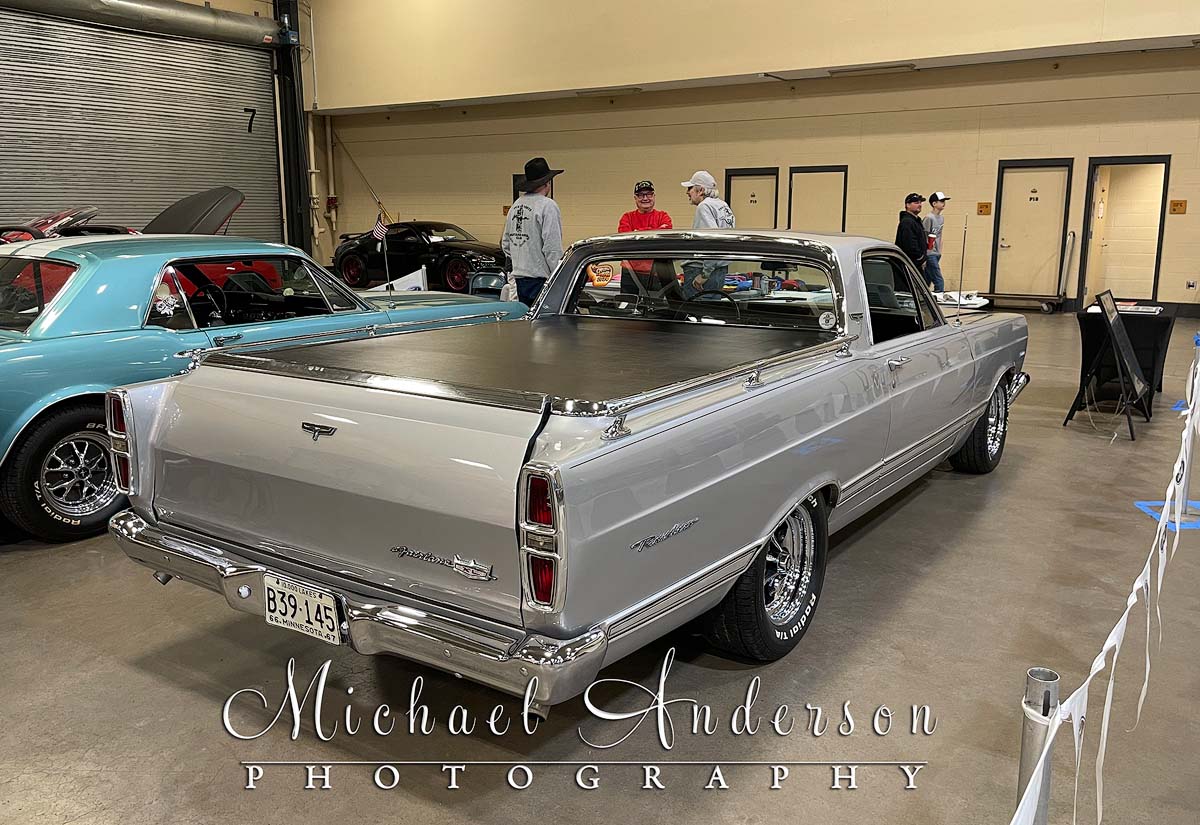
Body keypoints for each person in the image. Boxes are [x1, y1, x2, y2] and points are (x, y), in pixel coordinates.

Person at [501, 157, 564, 306]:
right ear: (547, 183)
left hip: (519, 280)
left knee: (526, 324)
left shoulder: (516, 205)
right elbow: (552, 248)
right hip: (541, 280)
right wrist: (559, 277)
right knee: (544, 326)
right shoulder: (548, 206)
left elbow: (506, 244)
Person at [681, 171, 735, 296]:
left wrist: (705, 274)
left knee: (696, 312)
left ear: (700, 190)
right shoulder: (723, 206)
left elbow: (712, 241)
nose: (687, 192)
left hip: (701, 270)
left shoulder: (704, 207)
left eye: (690, 188)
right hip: (719, 270)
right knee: (712, 311)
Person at [617, 180, 673, 295]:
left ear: (654, 196)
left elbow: (664, 236)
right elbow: (626, 240)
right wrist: (653, 231)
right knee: (628, 306)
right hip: (630, 271)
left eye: (649, 194)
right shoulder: (627, 217)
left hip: (656, 271)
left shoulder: (663, 216)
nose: (645, 198)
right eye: (641, 195)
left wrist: (637, 232)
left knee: (655, 308)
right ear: (635, 198)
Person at [921, 191, 950, 292]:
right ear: (934, 204)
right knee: (939, 280)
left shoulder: (941, 218)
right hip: (930, 253)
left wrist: (940, 251)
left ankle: (922, 297)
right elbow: (924, 236)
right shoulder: (929, 218)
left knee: (927, 279)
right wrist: (925, 254)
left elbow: (939, 235)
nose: (943, 203)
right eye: (941, 201)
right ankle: (939, 297)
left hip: (936, 253)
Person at [895, 192, 928, 273]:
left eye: (920, 203)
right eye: (916, 203)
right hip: (911, 265)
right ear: (907, 205)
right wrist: (920, 258)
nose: (919, 205)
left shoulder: (916, 221)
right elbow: (910, 245)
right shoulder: (907, 222)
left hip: (916, 264)